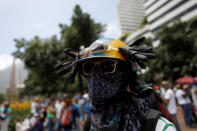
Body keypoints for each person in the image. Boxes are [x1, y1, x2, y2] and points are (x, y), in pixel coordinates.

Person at [55, 37, 176, 131]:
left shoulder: (157, 126)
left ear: (126, 73)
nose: (96, 75)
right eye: (89, 67)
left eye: (108, 66)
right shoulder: (91, 124)